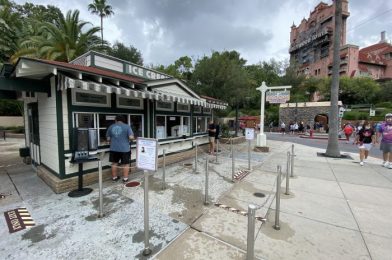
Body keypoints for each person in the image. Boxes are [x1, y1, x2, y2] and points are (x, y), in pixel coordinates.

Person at [106, 115, 134, 183]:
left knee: (114, 163)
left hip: (113, 148)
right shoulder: (127, 126)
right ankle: (125, 179)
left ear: (116, 120)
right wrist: (131, 139)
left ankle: (114, 177)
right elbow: (131, 137)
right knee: (126, 164)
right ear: (123, 120)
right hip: (125, 149)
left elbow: (108, 139)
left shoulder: (111, 127)